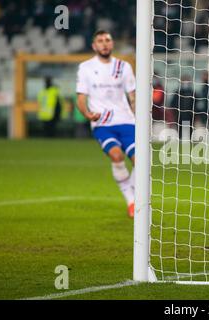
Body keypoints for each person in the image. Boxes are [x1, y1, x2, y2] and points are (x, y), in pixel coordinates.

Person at [75, 30, 136, 218]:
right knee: (116, 156)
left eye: (107, 40)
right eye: (100, 41)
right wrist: (86, 114)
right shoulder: (85, 67)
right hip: (102, 123)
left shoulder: (123, 66)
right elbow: (81, 96)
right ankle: (131, 201)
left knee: (140, 161)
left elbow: (132, 95)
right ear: (94, 46)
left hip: (126, 121)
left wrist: (139, 116)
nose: (104, 44)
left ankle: (135, 196)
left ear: (112, 44)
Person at [169, 75, 196, 139]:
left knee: (189, 129)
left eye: (187, 81)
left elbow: (196, 104)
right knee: (180, 129)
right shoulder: (177, 92)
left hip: (190, 115)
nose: (185, 83)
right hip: (179, 115)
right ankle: (180, 140)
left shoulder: (192, 93)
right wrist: (174, 113)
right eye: (184, 81)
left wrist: (195, 113)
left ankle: (190, 141)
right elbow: (173, 104)